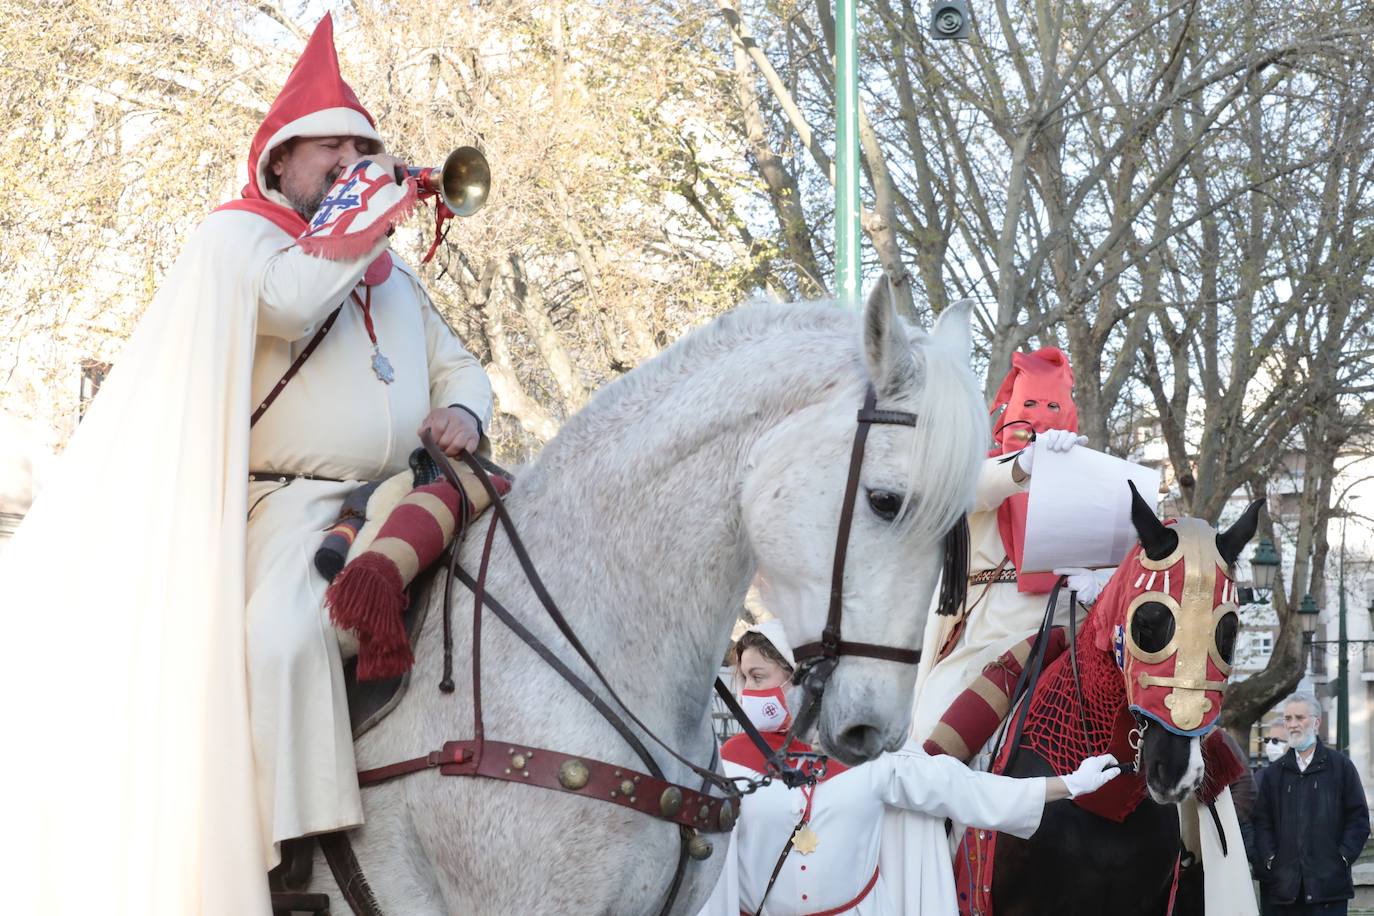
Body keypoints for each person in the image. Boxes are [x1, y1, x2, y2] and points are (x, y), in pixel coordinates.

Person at [0, 15, 491, 915]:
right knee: (281, 640)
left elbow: (456, 361)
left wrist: (462, 406)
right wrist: (368, 218)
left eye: (360, 147)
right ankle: (296, 850)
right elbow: (293, 304)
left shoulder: (382, 267)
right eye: (327, 150)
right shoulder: (243, 240)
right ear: (280, 163)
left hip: (409, 485)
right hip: (294, 507)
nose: (347, 161)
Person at [695, 621, 1121, 915]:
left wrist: (1065, 784)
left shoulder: (870, 752)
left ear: (803, 678)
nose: (746, 692)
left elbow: (961, 789)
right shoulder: (728, 759)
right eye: (745, 679)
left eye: (757, 676)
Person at [1253, 693, 1371, 915]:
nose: (1293, 724)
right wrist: (1271, 859)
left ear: (1317, 722)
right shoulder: (1273, 774)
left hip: (1328, 890)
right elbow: (1261, 823)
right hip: (1283, 891)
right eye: (1288, 718)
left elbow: (1358, 819)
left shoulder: (1341, 768)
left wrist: (1342, 857)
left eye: (1299, 717)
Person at [1252, 720, 1292, 916]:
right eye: (1268, 739)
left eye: (1276, 740)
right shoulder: (1261, 777)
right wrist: (1263, 859)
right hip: (1270, 873)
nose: (1270, 745)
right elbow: (1254, 822)